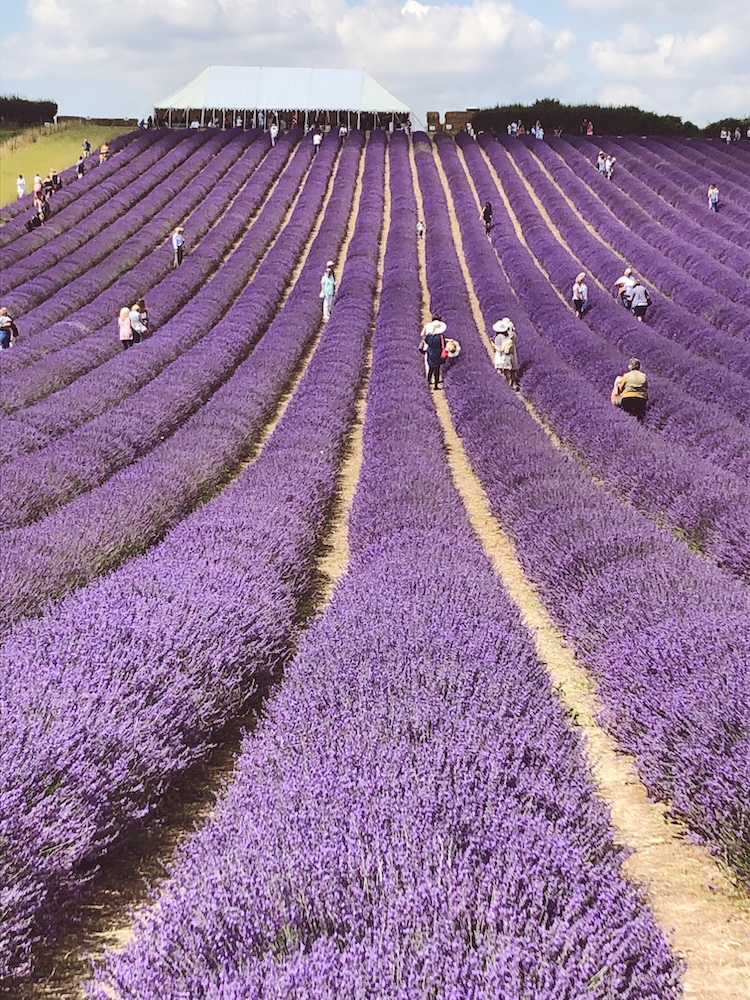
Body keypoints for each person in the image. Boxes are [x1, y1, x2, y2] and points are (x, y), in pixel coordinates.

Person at [611, 357, 648, 422]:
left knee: (626, 415)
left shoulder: (626, 375)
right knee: (640, 417)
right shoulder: (644, 376)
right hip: (641, 399)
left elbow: (621, 388)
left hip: (628, 398)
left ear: (630, 367)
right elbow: (646, 388)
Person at [491, 318, 519, 390]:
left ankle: (503, 384)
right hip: (509, 354)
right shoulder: (510, 335)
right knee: (510, 369)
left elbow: (500, 349)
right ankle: (512, 383)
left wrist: (493, 345)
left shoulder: (499, 337)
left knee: (501, 370)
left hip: (501, 356)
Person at [421, 317, 448, 390]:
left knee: (430, 368)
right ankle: (436, 386)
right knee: (437, 370)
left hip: (430, 352)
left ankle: (428, 383)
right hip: (438, 353)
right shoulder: (440, 336)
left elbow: (426, 340)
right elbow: (443, 345)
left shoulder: (429, 336)